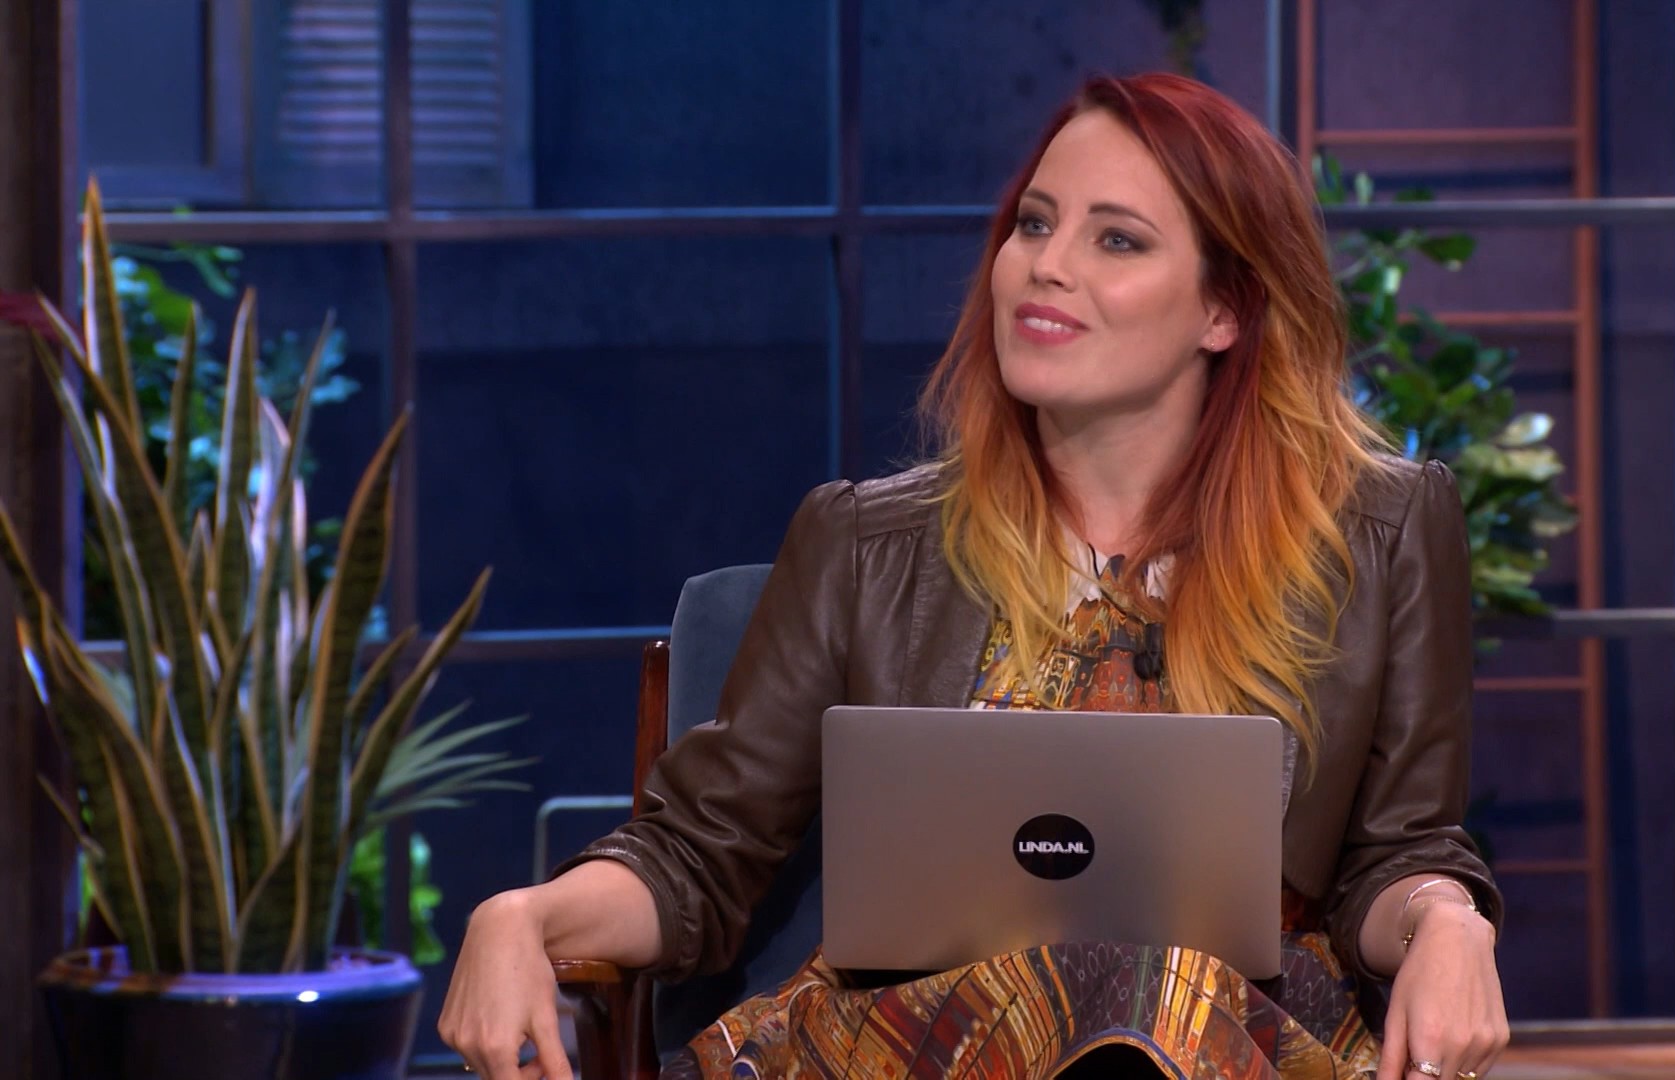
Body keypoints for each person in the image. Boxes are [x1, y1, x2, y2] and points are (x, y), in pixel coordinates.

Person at [439, 71, 1508, 1080]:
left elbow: (1399, 853)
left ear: (1224, 310)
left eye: (1116, 239)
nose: (1046, 264)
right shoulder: (863, 546)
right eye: (1034, 225)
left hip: (1235, 1032)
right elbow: (695, 857)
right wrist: (524, 916)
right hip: (924, 1035)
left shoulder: (1381, 534)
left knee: (1152, 994)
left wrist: (1446, 921)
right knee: (1115, 990)